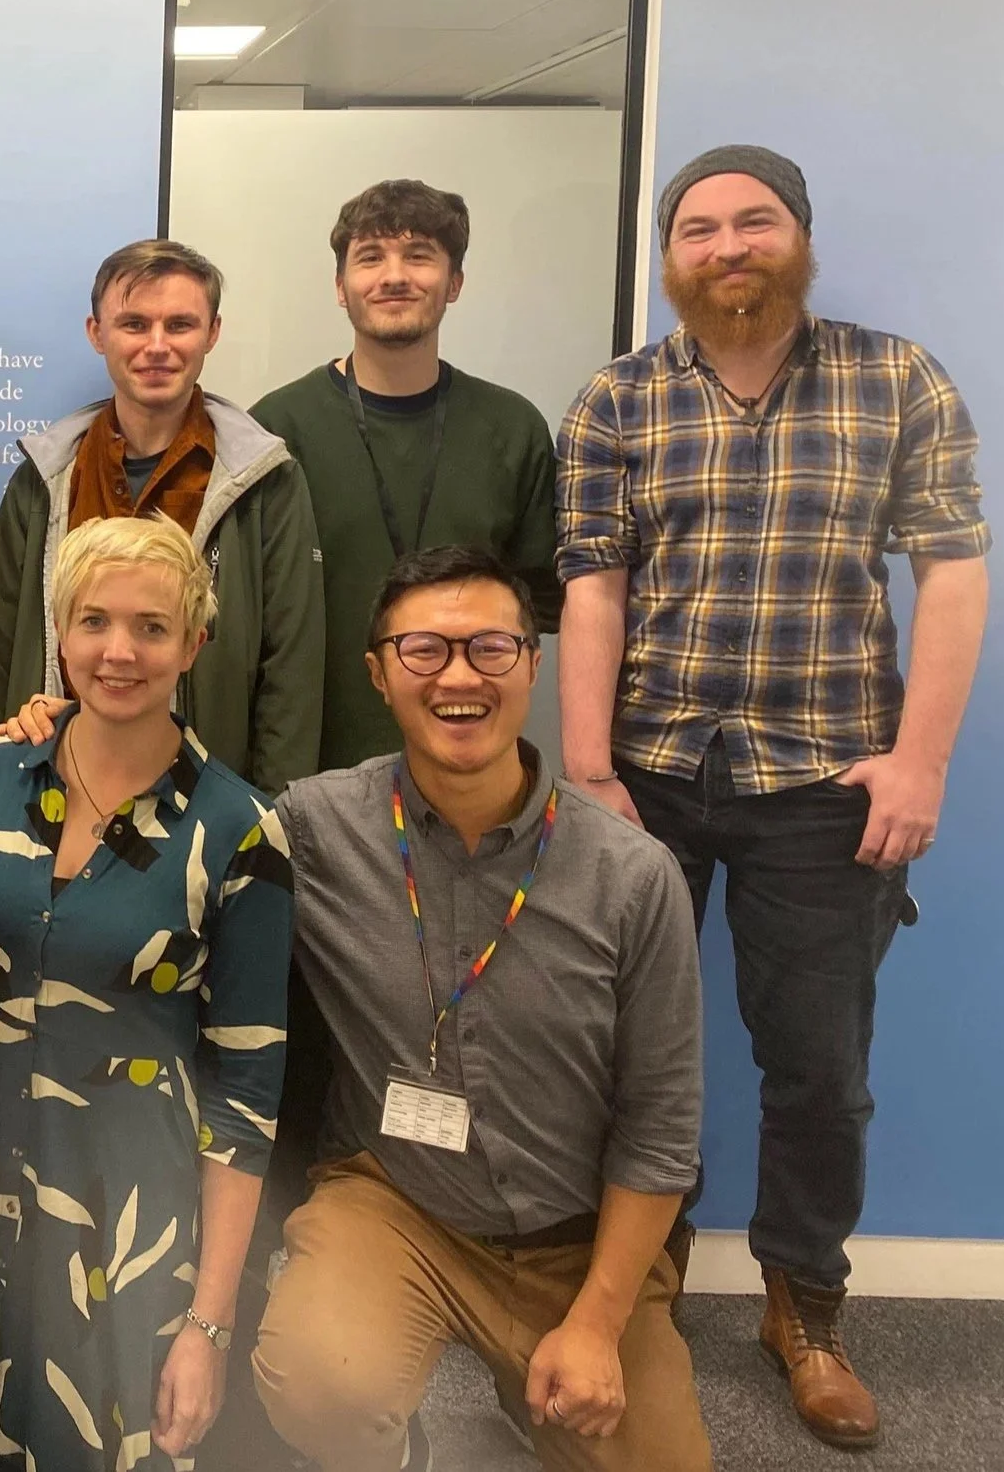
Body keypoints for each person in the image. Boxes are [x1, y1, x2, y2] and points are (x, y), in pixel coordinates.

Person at [558, 145, 989, 1451]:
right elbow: (593, 589)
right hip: (650, 777)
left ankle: (805, 1308)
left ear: (797, 238)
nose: (728, 245)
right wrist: (587, 769)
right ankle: (637, 1290)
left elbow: (953, 572)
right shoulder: (619, 398)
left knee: (817, 1068)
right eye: (698, 227)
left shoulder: (895, 379)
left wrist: (921, 760)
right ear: (670, 255)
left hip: (827, 782)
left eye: (754, 221)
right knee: (627, 1054)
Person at [251, 546, 710, 1472]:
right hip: (397, 1204)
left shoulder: (633, 876)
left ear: (533, 664)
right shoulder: (313, 827)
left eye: (491, 648)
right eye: (424, 650)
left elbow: (663, 1128)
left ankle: (532, 1383)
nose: (459, 677)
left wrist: (598, 1321)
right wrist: (56, 738)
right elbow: (172, 816)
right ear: (379, 674)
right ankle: (399, 1440)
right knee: (320, 1384)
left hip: (575, 1243)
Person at [0, 514, 292, 1468]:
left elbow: (247, 1095)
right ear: (59, 635)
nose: (119, 651)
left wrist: (210, 1324)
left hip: (121, 1210)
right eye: (94, 621)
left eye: (152, 628)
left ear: (194, 644)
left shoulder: (239, 830)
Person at [0, 239, 323, 792]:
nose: (157, 346)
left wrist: (273, 814)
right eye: (134, 324)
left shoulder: (266, 483)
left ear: (212, 333)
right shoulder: (44, 479)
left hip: (206, 802)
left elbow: (291, 670)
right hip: (54, 788)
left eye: (179, 325)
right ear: (97, 333)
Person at [251, 180, 563, 770]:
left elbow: (535, 611)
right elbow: (252, 622)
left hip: (467, 763)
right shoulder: (275, 429)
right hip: (311, 765)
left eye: (419, 255)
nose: (394, 276)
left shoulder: (512, 428)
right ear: (340, 287)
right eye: (370, 257)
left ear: (455, 282)